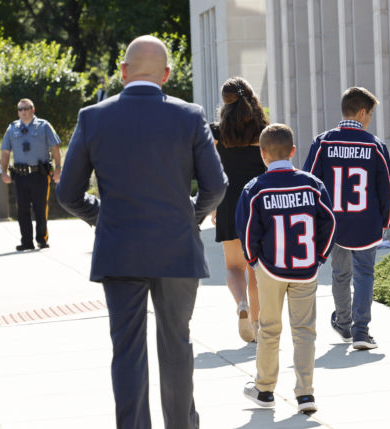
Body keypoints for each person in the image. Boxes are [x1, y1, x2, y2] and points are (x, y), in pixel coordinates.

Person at [56, 35, 227, 429]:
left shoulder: (93, 117)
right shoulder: (190, 116)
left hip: (119, 249)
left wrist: (102, 216)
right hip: (176, 250)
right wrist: (191, 217)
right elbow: (216, 186)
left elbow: (67, 193)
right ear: (167, 75)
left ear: (123, 72)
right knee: (176, 348)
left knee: (127, 352)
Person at [236, 123, 335, 414]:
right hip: (306, 266)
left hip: (270, 267)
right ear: (293, 151)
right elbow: (329, 222)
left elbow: (247, 231)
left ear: (262, 154)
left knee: (269, 328)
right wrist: (320, 256)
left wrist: (254, 261)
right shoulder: (312, 184)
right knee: (305, 330)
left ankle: (265, 389)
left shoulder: (255, 188)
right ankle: (305, 394)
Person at [303, 87, 390, 350]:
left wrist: (314, 222)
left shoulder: (323, 142)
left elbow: (310, 183)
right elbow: (384, 188)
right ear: (362, 112)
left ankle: (344, 323)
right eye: (370, 114)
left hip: (335, 223)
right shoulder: (374, 145)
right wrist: (384, 221)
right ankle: (361, 331)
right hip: (366, 222)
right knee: (364, 274)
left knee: (340, 274)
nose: (370, 120)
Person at [211, 77, 269, 343]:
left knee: (233, 265)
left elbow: (211, 171)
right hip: (257, 204)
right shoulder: (264, 131)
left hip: (227, 202)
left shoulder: (215, 133)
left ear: (224, 102)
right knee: (254, 268)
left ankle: (241, 304)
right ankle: (256, 324)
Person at [0, 98, 62, 251]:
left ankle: (42, 239)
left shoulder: (44, 126)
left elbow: (55, 147)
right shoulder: (12, 128)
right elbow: (5, 152)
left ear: (33, 109)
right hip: (20, 175)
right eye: (20, 109)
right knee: (22, 209)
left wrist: (58, 168)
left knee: (40, 208)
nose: (23, 112)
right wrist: (4, 171)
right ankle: (26, 241)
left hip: (39, 174)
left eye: (26, 108)